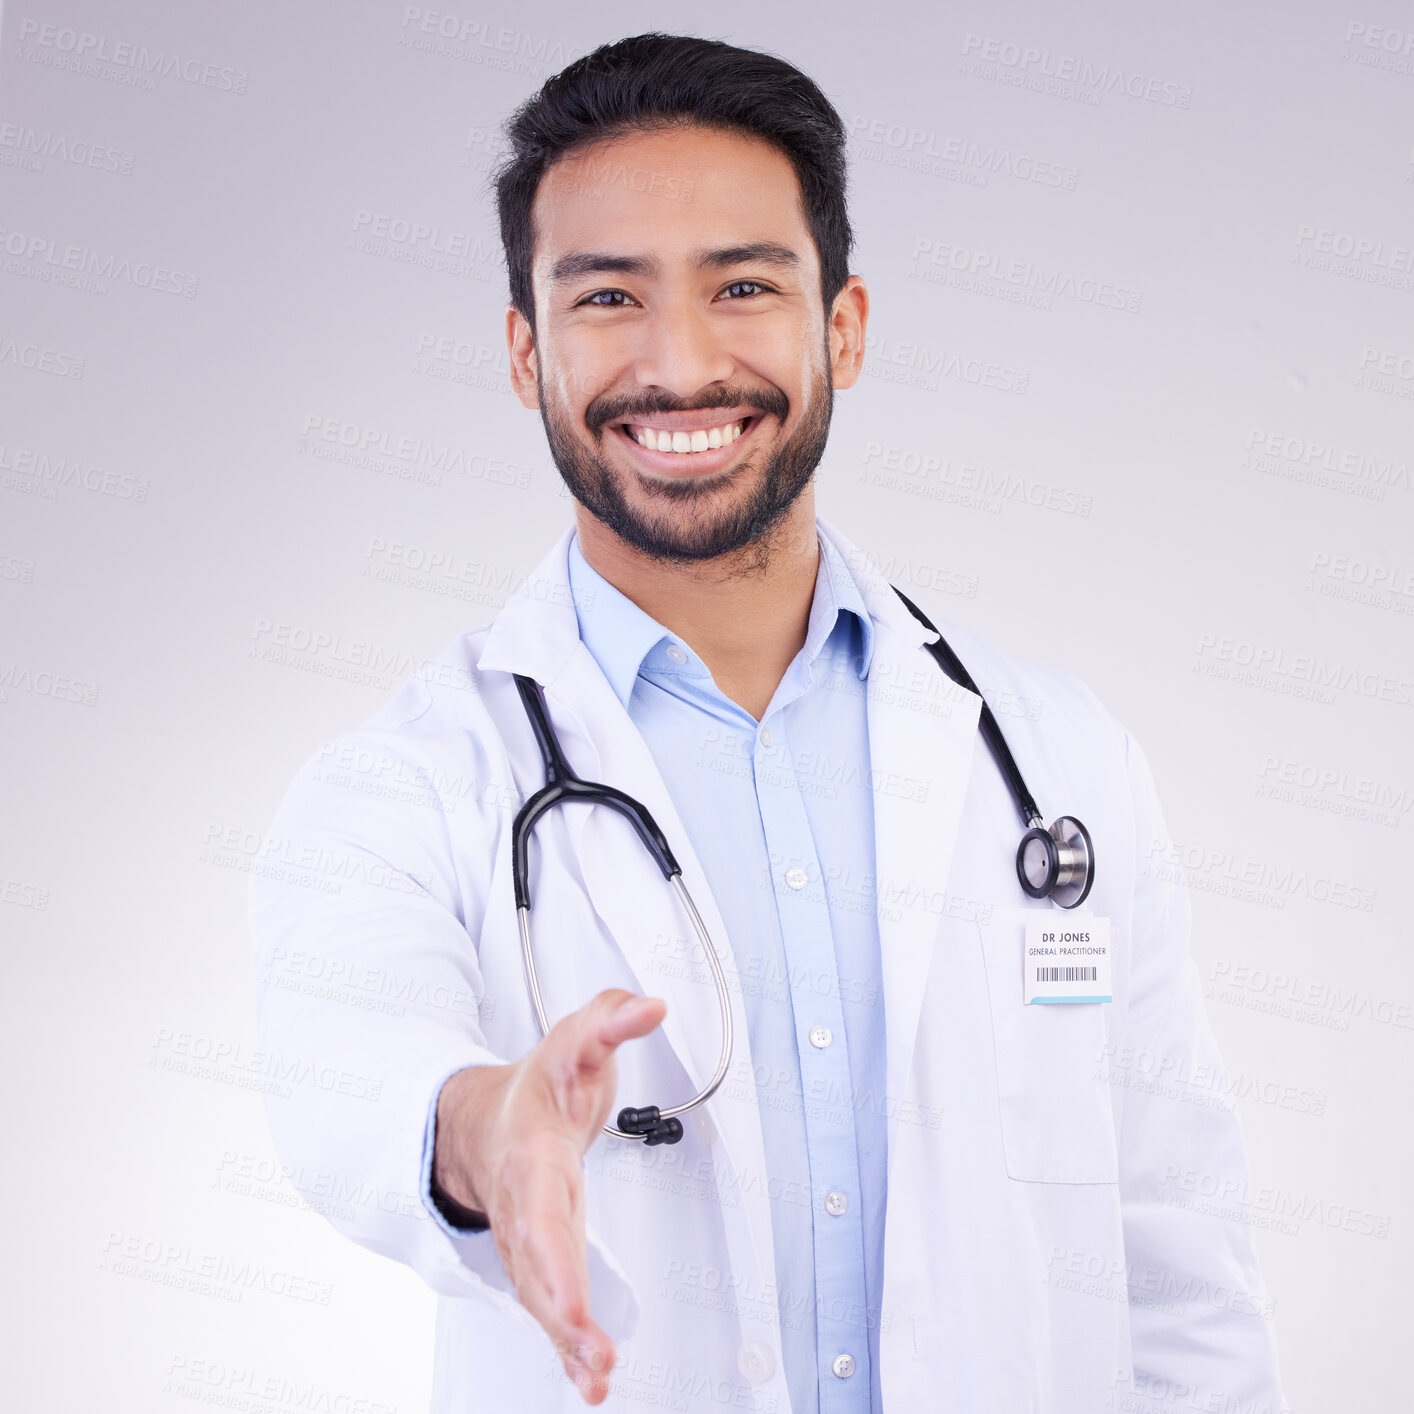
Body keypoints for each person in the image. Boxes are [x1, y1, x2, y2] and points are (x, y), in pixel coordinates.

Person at [250, 32, 1287, 1414]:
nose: (679, 364)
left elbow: (1177, 1250)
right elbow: (351, 1060)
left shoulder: (1057, 758)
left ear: (841, 326)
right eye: (607, 296)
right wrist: (480, 1129)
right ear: (523, 354)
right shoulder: (408, 781)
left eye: (743, 285)